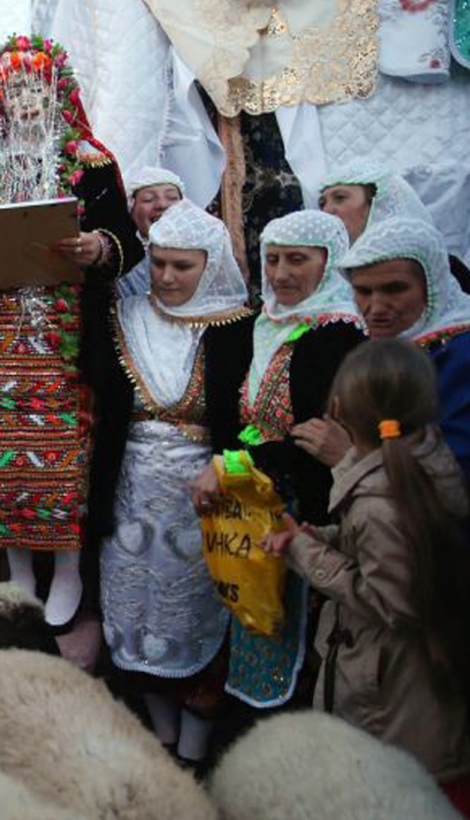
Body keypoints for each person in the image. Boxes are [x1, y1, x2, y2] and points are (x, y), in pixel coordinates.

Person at [0, 37, 143, 631]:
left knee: (66, 454)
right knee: (2, 460)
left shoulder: (91, 164)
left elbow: (128, 241)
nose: (24, 100)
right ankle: (18, 570)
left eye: (34, 89)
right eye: (13, 89)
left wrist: (98, 246)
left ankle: (68, 569)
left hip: (62, 341)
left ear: (56, 94)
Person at [265, 339, 470, 806]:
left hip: (392, 699)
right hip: (416, 690)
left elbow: (391, 600)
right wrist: (325, 538)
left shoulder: (380, 502)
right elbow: (394, 551)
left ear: (340, 409)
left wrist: (307, 555)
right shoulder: (424, 463)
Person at [92, 200, 253, 768]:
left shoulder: (238, 328)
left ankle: (194, 750)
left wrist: (231, 468)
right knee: (134, 615)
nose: (165, 276)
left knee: (196, 614)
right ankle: (163, 741)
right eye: (158, 262)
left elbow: (252, 423)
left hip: (203, 499)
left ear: (211, 265)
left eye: (182, 266)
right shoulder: (125, 315)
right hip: (130, 491)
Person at [198, 210, 367, 712]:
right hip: (252, 507)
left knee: (303, 643)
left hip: (309, 513)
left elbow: (310, 438)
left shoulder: (341, 337)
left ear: (330, 262)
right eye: (272, 260)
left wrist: (232, 465)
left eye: (298, 260)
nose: (281, 274)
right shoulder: (260, 326)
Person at [331, 217, 470, 483]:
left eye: (394, 289)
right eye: (363, 291)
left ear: (433, 285)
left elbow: (454, 475)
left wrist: (349, 457)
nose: (376, 308)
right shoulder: (381, 349)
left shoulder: (461, 354)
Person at [319, 164, 470, 290]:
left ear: (377, 205)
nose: (327, 210)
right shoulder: (322, 280)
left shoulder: (438, 267)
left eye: (340, 198)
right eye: (322, 204)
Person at [116, 166, 186, 298]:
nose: (162, 205)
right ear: (131, 208)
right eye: (148, 199)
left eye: (172, 197)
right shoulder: (121, 259)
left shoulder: (202, 251)